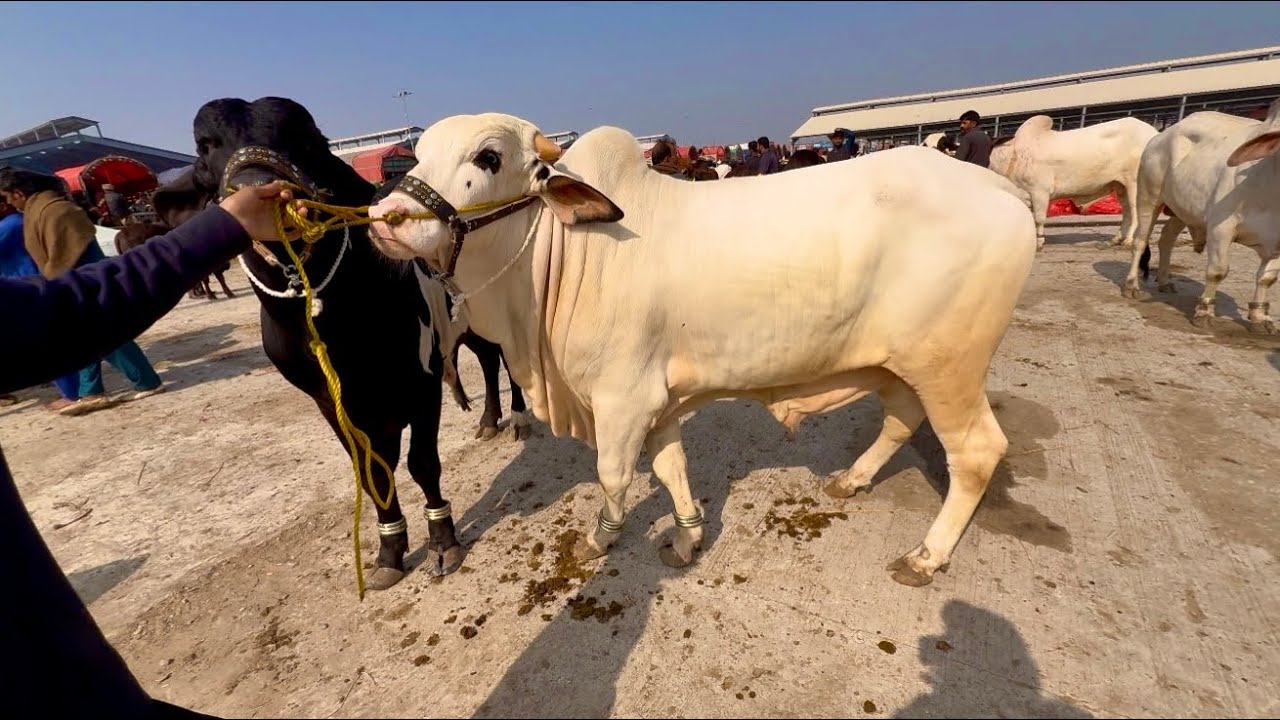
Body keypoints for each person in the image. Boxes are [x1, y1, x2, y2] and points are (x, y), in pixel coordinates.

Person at [0, 181, 299, 719]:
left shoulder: (49, 216)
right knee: (104, 340)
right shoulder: (43, 218)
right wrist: (223, 226)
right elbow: (62, 312)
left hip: (46, 669)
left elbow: (59, 308)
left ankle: (117, 384)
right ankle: (108, 384)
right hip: (45, 675)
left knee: (108, 343)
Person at [0, 168, 166, 416]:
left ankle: (97, 391)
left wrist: (52, 287)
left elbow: (65, 255)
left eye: (8, 197)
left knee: (97, 337)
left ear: (19, 192)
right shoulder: (39, 212)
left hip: (86, 283)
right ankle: (127, 385)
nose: (9, 203)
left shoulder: (57, 211)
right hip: (76, 284)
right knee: (101, 338)